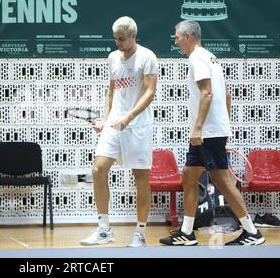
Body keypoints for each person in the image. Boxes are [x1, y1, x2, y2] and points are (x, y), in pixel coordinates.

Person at [159, 20, 264, 246]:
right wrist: (221, 124)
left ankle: (252, 232)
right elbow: (226, 94)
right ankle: (186, 233)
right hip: (210, 130)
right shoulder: (210, 57)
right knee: (188, 175)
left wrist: (200, 128)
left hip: (206, 132)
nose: (175, 40)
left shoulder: (197, 58)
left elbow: (207, 94)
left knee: (223, 181)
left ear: (188, 36)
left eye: (177, 36)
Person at [80, 16, 158, 247]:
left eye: (121, 39)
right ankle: (104, 229)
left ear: (133, 35)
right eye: (115, 39)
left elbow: (150, 92)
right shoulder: (113, 57)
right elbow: (111, 92)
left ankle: (140, 233)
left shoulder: (147, 57)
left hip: (138, 126)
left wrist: (129, 116)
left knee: (140, 178)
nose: (118, 43)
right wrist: (105, 119)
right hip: (114, 124)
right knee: (98, 169)